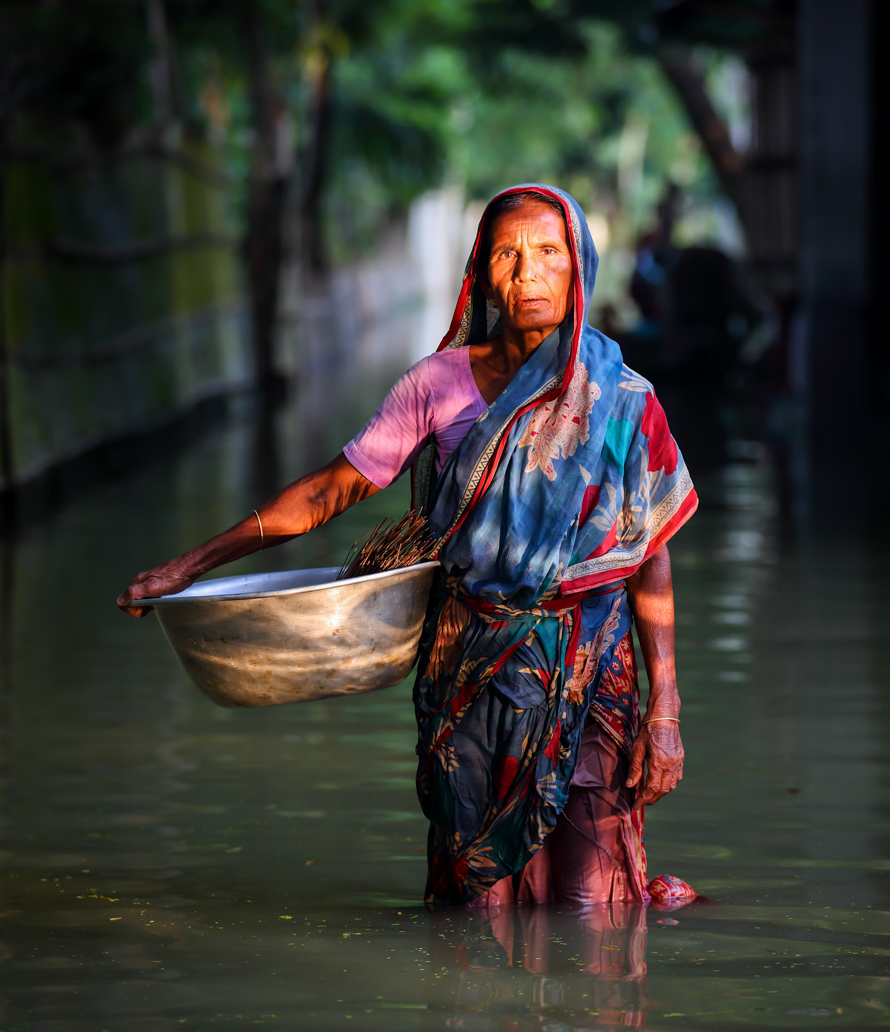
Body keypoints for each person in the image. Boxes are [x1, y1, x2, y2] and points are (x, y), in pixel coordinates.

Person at [118, 185, 699, 911]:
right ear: (481, 274)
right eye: (507, 255)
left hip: (590, 671)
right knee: (475, 903)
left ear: (579, 264)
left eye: (549, 252)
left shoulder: (623, 397)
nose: (528, 273)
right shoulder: (438, 383)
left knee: (592, 903)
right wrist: (190, 565)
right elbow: (329, 491)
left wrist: (665, 708)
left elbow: (649, 553)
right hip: (470, 666)